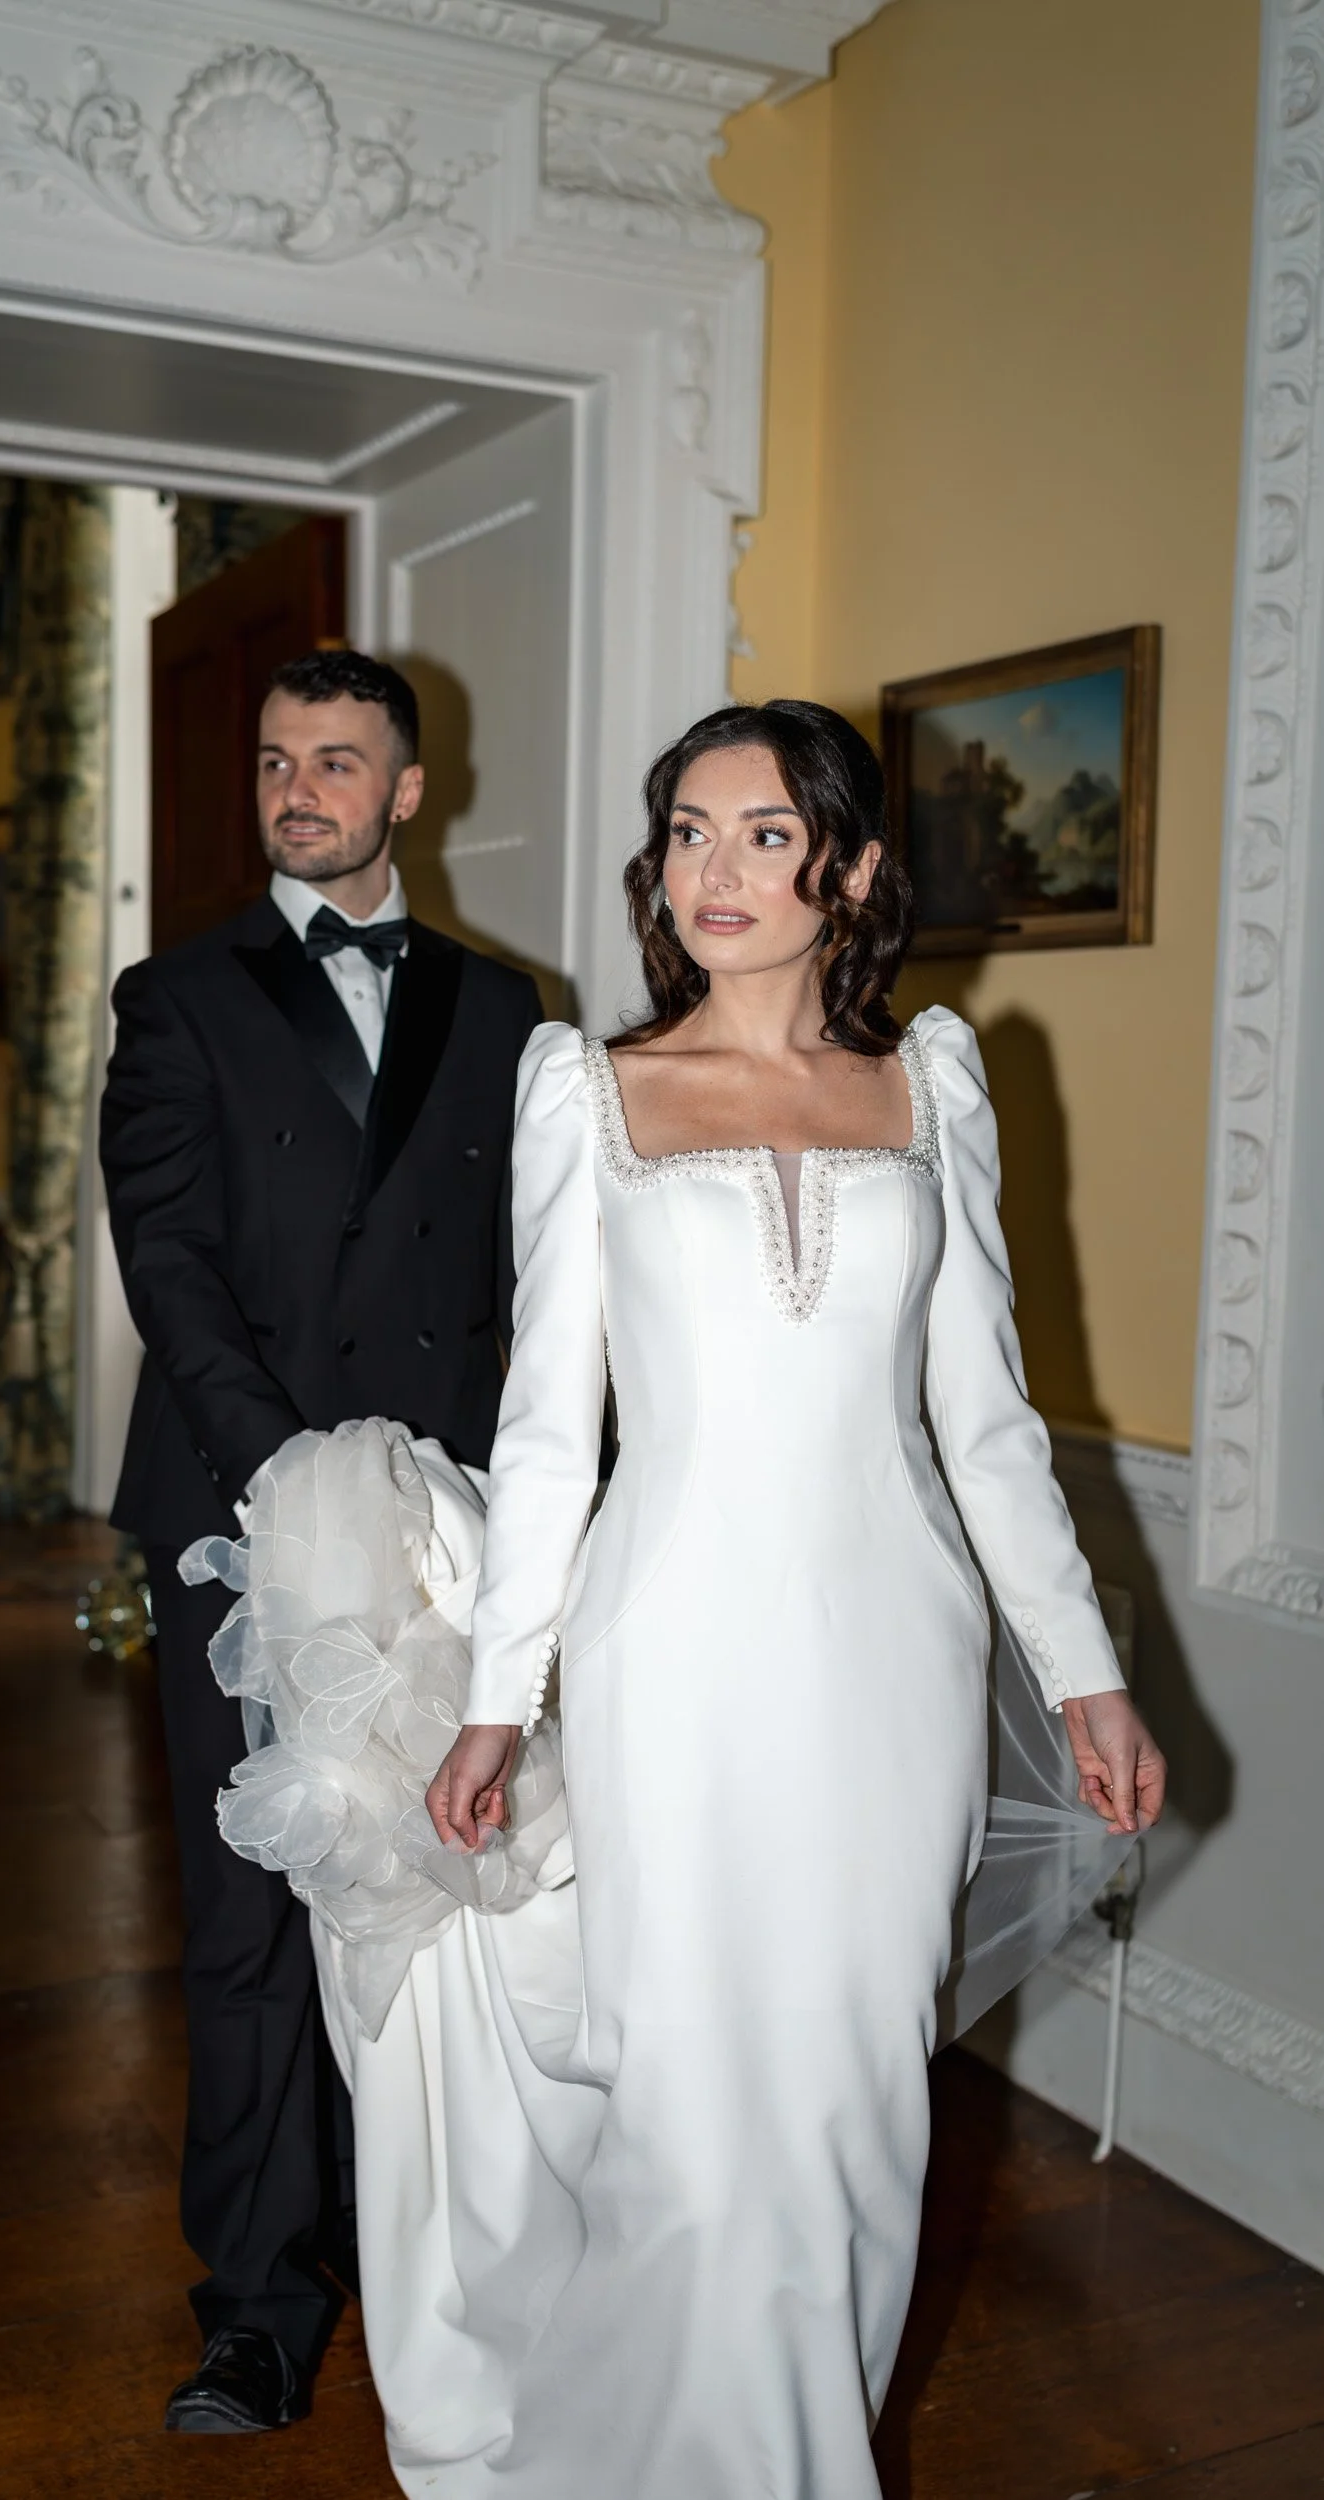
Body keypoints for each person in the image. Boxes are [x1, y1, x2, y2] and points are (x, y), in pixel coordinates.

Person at [401, 697, 1166, 2496]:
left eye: (761, 831)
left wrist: (1081, 1675)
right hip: (668, 1652)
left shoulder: (938, 1084)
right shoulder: (584, 1091)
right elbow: (542, 1435)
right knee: (689, 2100)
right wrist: (500, 1695)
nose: (716, 870)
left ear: (854, 865)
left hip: (897, 1663)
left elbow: (983, 1425)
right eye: (686, 831)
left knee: (852, 2093)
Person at [99, 647, 542, 2436]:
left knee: (437, 1905)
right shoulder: (176, 995)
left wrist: (513, 1513)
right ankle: (262, 2309)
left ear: (406, 790)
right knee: (252, 1922)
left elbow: (529, 1291)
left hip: (443, 1537)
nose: (300, 788)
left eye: (337, 761)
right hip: (240, 1521)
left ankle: (434, 2265)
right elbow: (171, 1265)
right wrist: (293, 1495)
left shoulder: (511, 1010)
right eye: (278, 760)